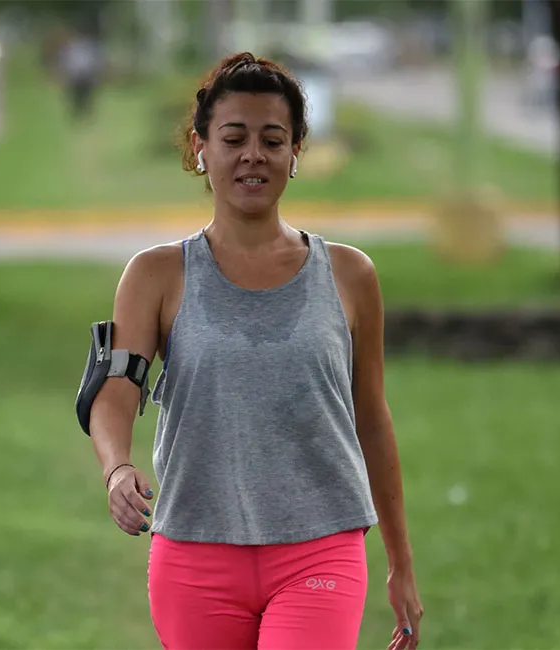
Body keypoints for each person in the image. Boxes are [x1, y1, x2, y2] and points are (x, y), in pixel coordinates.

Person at [86, 52, 424, 650]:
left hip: (321, 548)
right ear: (201, 148)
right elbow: (114, 389)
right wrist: (116, 467)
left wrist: (400, 562)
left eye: (273, 140)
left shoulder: (350, 275)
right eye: (233, 138)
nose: (253, 155)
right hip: (194, 553)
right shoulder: (155, 275)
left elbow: (371, 418)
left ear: (296, 152)